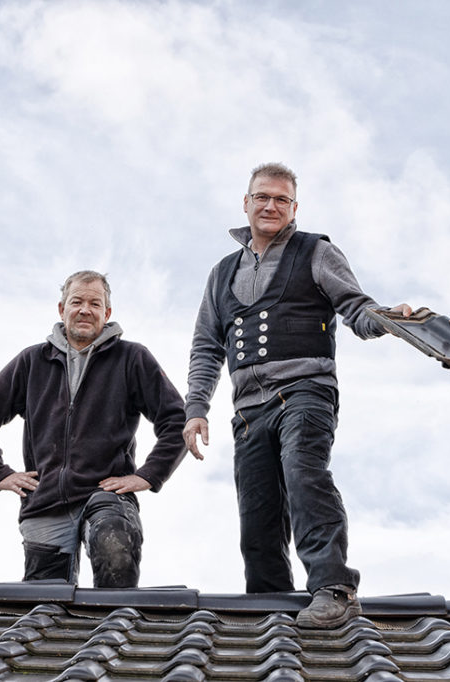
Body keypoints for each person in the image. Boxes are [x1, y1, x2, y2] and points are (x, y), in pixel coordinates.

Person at [183, 162, 411, 629]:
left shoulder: (317, 251)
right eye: (262, 197)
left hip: (305, 390)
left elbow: (356, 306)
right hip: (247, 410)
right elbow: (207, 344)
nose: (270, 206)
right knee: (257, 511)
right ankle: (268, 602)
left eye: (281, 200)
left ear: (294, 208)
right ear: (245, 203)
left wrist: (386, 320)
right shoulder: (221, 272)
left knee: (304, 473)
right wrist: (196, 408)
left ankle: (334, 587)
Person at [0, 271, 189, 587]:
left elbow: (177, 419)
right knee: (45, 605)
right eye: (77, 302)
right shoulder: (32, 362)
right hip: (44, 502)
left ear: (107, 313)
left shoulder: (131, 358)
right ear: (62, 309)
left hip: (106, 494)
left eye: (95, 303)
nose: (85, 310)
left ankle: (113, 634)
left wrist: (149, 474)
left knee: (114, 546)